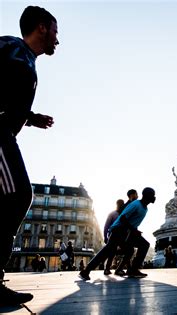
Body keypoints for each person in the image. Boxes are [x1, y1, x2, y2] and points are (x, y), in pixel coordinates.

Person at [0, 5, 58, 306]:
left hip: (6, 131)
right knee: (18, 196)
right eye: (55, 31)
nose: (57, 40)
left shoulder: (26, 59)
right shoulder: (10, 46)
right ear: (41, 28)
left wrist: (31, 117)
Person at [79, 187, 156, 280]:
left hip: (128, 232)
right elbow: (123, 218)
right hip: (118, 230)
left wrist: (135, 231)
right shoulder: (136, 204)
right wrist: (134, 230)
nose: (154, 197)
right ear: (146, 196)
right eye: (152, 195)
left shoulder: (145, 208)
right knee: (108, 250)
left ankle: (132, 270)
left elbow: (132, 221)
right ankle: (85, 271)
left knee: (138, 247)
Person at [103, 199, 125, 275]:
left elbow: (106, 227)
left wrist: (105, 236)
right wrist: (105, 237)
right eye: (120, 204)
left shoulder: (121, 214)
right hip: (114, 236)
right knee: (112, 253)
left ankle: (110, 269)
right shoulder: (113, 214)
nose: (121, 205)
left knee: (125, 251)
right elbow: (106, 226)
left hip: (121, 236)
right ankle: (108, 269)